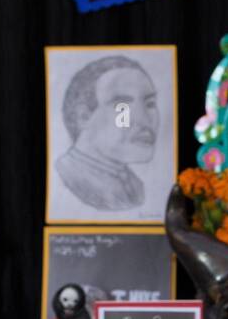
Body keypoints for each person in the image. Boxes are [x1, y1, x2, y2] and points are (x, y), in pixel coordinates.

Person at [56, 56, 159, 212]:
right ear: (84, 117)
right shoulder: (65, 175)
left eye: (150, 104)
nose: (144, 120)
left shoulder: (136, 186)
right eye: (121, 107)